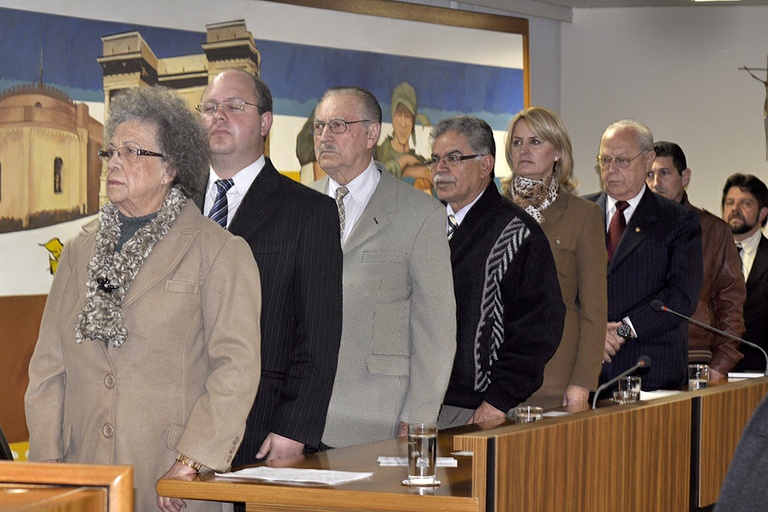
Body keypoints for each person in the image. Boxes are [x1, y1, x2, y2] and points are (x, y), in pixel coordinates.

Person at [24, 86, 262, 512]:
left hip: (170, 476)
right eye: (111, 152)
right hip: (85, 475)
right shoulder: (80, 250)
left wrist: (192, 461)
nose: (115, 161)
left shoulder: (219, 250)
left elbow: (236, 369)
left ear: (170, 167)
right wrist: (48, 460)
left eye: (133, 152)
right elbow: (48, 364)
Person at [198, 69, 343, 466]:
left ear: (265, 122)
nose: (219, 115)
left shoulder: (309, 211)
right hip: (176, 422)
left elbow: (319, 336)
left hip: (261, 426)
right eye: (210, 107)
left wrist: (295, 426)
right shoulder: (175, 205)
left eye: (234, 105)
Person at [309, 86, 456, 447]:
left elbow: (436, 330)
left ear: (372, 133)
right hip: (296, 422)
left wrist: (419, 416)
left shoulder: (420, 215)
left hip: (377, 421)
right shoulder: (299, 208)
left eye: (338, 125)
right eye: (319, 126)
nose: (325, 136)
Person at [429, 114, 565, 428]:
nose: (441, 169)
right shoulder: (425, 226)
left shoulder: (517, 234)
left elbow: (538, 328)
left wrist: (497, 402)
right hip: (420, 404)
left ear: (486, 164)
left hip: (477, 408)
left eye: (454, 158)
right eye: (435, 159)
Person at [584, 119, 702, 390]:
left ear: (648, 160)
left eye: (623, 160)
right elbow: (563, 291)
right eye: (605, 160)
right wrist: (593, 333)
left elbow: (681, 297)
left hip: (649, 370)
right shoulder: (581, 212)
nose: (611, 170)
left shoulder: (678, 220)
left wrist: (622, 331)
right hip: (587, 372)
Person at [503, 106, 606, 408]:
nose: (524, 150)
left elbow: (594, 310)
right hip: (493, 376)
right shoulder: (494, 212)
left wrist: (582, 383)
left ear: (558, 152)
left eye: (535, 142)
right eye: (517, 142)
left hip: (554, 377)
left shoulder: (583, 215)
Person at [646, 142, 745, 379]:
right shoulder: (631, 229)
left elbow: (730, 303)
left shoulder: (712, 230)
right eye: (649, 174)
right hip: (638, 358)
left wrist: (721, 365)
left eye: (665, 173)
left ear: (685, 176)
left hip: (693, 358)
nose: (655, 183)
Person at [721, 173, 768, 371]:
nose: (735, 209)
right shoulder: (706, 256)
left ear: (762, 213)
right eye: (730, 202)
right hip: (715, 372)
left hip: (761, 372)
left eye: (745, 203)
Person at [374, 82, 433, 194]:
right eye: (399, 115)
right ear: (393, 119)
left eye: (407, 116)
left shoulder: (419, 161)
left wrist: (422, 173)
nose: (403, 124)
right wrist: (404, 161)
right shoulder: (377, 153)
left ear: (413, 121)